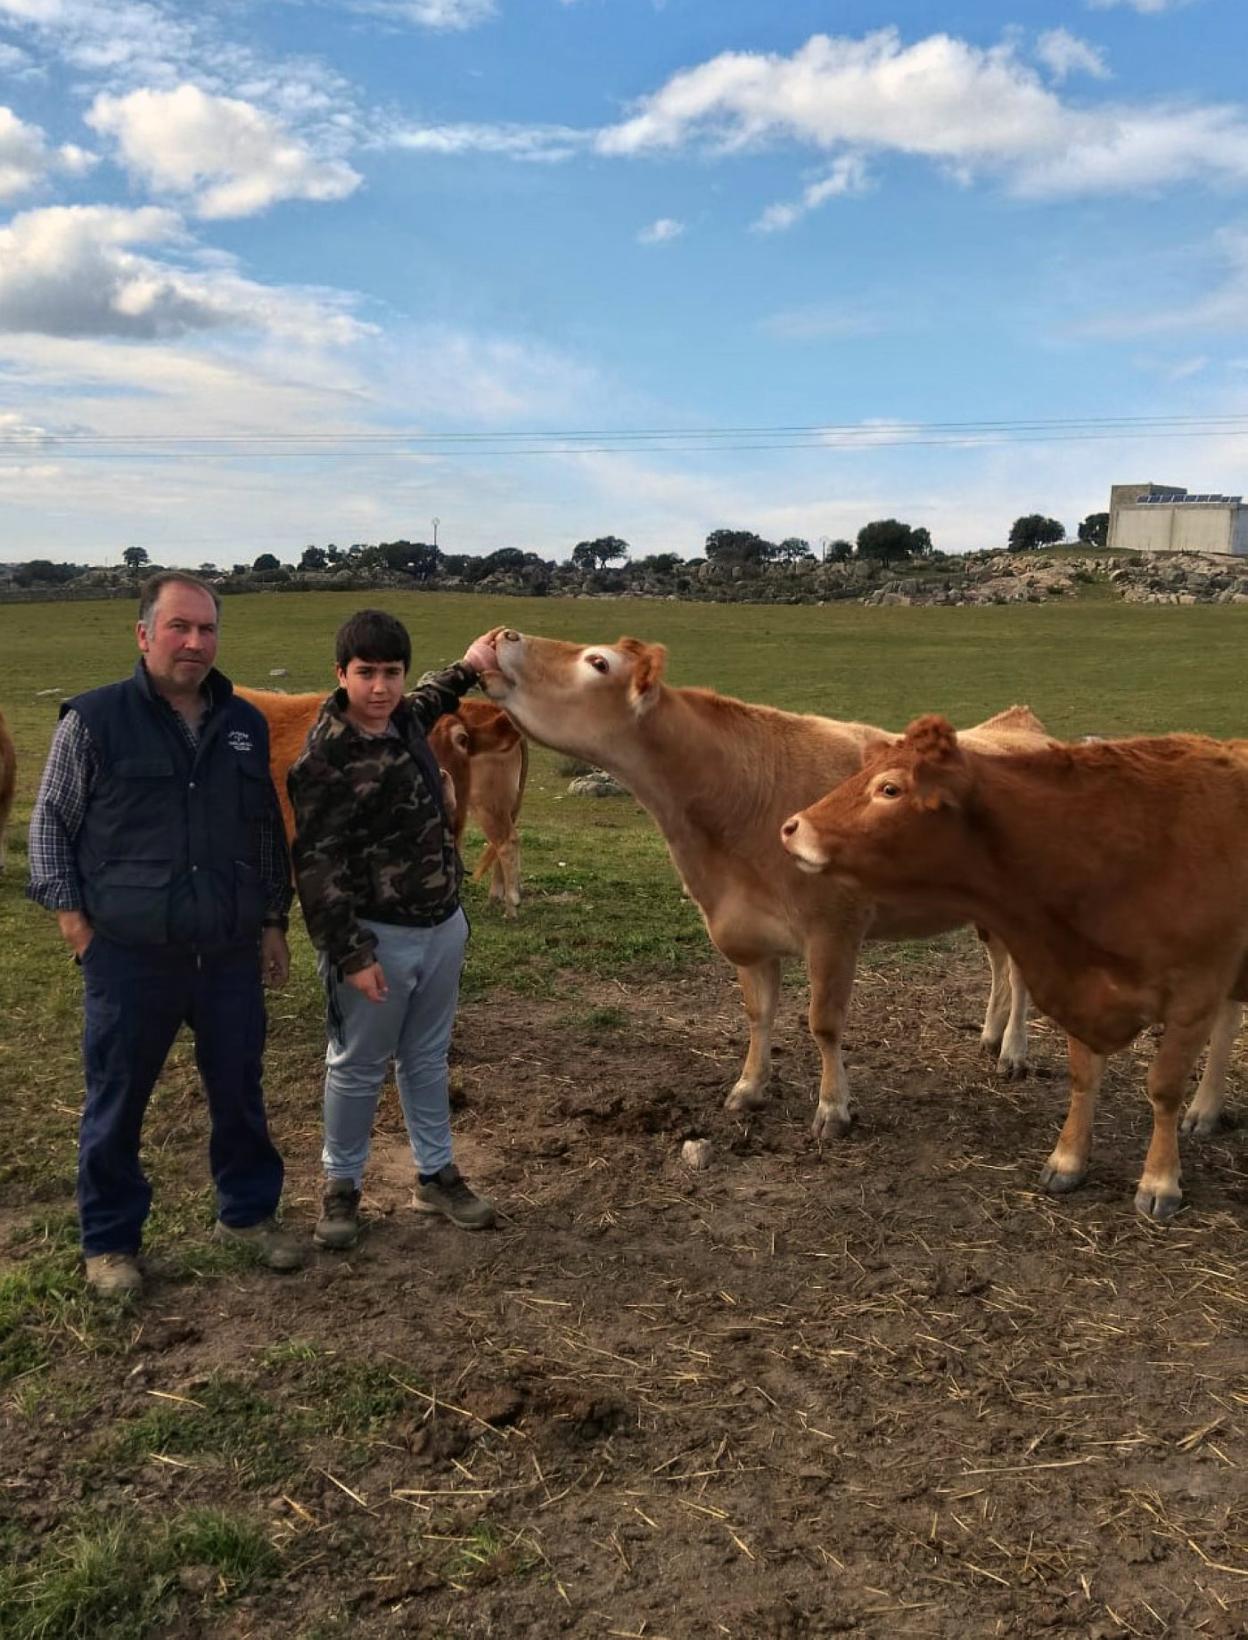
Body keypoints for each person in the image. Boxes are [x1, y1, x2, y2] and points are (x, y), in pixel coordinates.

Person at [28, 572, 301, 1297]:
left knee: (240, 1090)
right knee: (118, 1098)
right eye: (179, 627)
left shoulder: (243, 723)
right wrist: (73, 920)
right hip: (128, 954)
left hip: (228, 952)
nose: (194, 642)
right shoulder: (92, 720)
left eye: (207, 629)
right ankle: (111, 1242)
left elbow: (267, 834)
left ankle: (247, 1214)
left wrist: (273, 920)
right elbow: (51, 822)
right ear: (144, 634)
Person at [287, 609, 500, 1251]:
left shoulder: (404, 716)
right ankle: (341, 1188)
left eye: (391, 673)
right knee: (356, 1065)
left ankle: (435, 1174)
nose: (380, 687)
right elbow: (316, 866)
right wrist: (351, 954)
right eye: (366, 673)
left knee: (428, 1057)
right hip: (376, 938)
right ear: (341, 674)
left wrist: (470, 664)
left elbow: (435, 694)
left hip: (440, 926)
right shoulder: (326, 757)